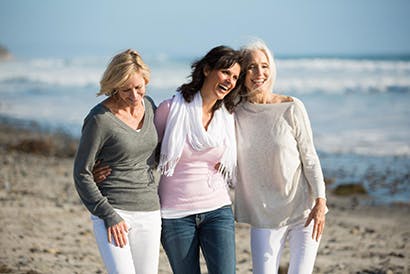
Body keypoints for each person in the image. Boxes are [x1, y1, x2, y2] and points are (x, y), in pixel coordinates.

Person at [234, 40, 327, 274]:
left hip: (303, 211)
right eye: (252, 67)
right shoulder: (234, 111)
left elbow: (310, 158)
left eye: (264, 66)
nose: (259, 73)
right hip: (264, 214)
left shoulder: (292, 107)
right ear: (243, 73)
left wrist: (321, 201)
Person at [73, 49, 161, 274]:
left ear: (146, 81)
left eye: (139, 87)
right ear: (114, 86)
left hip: (149, 210)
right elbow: (81, 173)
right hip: (113, 209)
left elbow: (159, 154)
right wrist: (108, 214)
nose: (134, 95)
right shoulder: (99, 119)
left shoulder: (150, 106)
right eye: (125, 89)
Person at [155, 45, 241, 274]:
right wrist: (107, 168)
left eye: (235, 77)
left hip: (217, 209)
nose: (230, 81)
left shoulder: (228, 117)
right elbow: (142, 151)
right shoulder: (170, 110)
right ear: (206, 69)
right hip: (175, 214)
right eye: (225, 72)